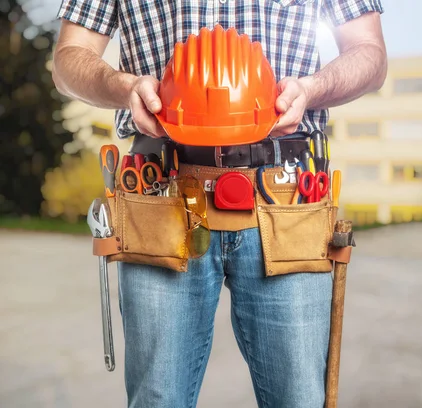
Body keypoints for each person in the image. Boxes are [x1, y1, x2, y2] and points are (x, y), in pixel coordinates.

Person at [52, 1, 387, 407]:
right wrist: (125, 88)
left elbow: (369, 52)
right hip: (162, 190)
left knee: (299, 399)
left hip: (285, 200)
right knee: (158, 400)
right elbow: (69, 59)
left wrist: (311, 89)